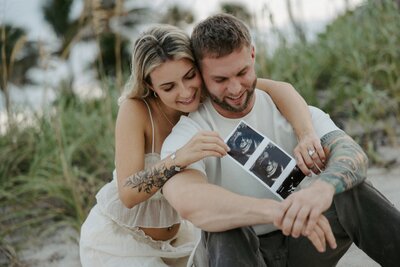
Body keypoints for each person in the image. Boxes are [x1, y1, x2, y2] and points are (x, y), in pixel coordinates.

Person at [160, 14, 400, 267]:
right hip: (240, 254)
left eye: (242, 72)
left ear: (252, 55)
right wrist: (274, 212)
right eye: (220, 80)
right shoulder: (190, 133)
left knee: (350, 187)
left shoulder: (291, 112)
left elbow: (353, 154)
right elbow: (187, 199)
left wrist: (323, 188)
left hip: (304, 241)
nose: (235, 88)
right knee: (223, 225)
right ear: (200, 73)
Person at [79, 24, 325, 267]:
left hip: (180, 241)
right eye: (168, 87)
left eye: (189, 76)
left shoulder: (213, 91)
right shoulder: (136, 110)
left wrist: (306, 134)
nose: (186, 92)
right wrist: (179, 158)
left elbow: (280, 89)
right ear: (150, 85)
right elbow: (128, 194)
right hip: (122, 242)